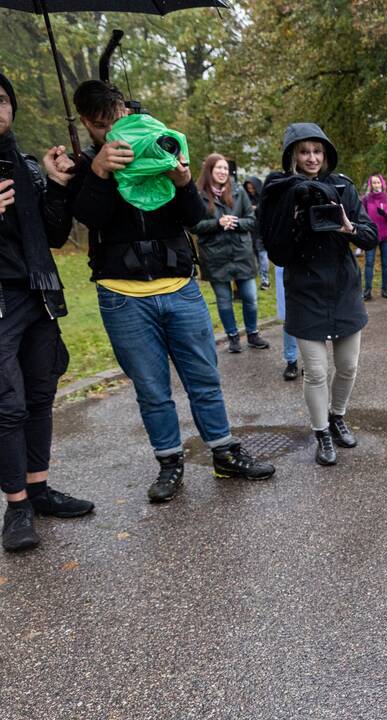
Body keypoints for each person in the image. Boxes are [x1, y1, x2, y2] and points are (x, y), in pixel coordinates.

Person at [68, 80, 274, 503]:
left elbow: (196, 217)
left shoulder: (158, 144)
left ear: (127, 109)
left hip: (179, 287)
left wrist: (181, 180)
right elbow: (90, 216)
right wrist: (100, 172)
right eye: (103, 127)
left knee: (204, 378)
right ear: (88, 124)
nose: (115, 132)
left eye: (119, 120)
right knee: (151, 389)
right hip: (121, 294)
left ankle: (223, 453)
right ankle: (169, 462)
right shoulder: (86, 165)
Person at [0, 71, 95, 551]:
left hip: (36, 294)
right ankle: (15, 507)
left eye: (0, 100)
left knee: (40, 394)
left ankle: (37, 489)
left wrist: (56, 186)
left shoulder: (26, 167)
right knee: (6, 404)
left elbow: (55, 236)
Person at [260, 123, 378, 466]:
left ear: (325, 154)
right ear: (292, 155)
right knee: (315, 372)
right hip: (304, 291)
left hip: (343, 289)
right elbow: (275, 249)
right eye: (304, 151)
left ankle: (337, 415)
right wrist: (295, 218)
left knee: (348, 366)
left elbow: (369, 236)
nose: (312, 158)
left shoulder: (342, 186)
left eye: (317, 151)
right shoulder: (280, 191)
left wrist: (348, 226)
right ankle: (321, 432)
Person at [192, 154, 269, 354]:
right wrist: (217, 224)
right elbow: (194, 226)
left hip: (241, 253)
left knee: (250, 297)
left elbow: (252, 221)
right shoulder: (198, 194)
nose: (223, 172)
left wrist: (235, 222)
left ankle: (252, 333)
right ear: (209, 170)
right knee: (224, 300)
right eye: (218, 168)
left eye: (225, 168)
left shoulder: (238, 191)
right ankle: (233, 337)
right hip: (215, 256)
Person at [360, 174, 387, 300]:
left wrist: (385, 214)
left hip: (386, 235)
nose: (376, 185)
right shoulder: (366, 199)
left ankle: (385, 289)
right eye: (373, 183)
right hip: (371, 235)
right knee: (369, 262)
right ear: (370, 185)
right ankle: (367, 291)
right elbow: (361, 216)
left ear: (382, 183)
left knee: (385, 263)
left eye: (378, 182)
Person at [242, 176, 270, 290]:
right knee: (252, 257)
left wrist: (256, 208)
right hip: (249, 232)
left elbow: (266, 210)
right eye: (248, 188)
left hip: (261, 232)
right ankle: (254, 280)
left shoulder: (263, 197)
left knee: (262, 256)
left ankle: (265, 280)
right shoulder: (245, 197)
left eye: (252, 188)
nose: (250, 190)